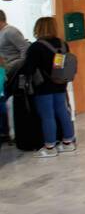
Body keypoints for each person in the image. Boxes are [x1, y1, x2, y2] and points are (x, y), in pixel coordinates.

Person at [15, 17, 76, 157]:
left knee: (47, 116)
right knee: (63, 112)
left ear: (38, 28)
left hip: (43, 87)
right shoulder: (63, 44)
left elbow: (29, 68)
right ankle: (68, 142)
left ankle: (49, 147)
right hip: (60, 83)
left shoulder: (36, 47)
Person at [0, 10, 31, 145]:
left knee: (3, 100)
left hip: (10, 72)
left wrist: (18, 68)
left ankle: (5, 132)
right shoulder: (2, 33)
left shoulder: (10, 31)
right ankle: (4, 131)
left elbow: (24, 49)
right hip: (4, 71)